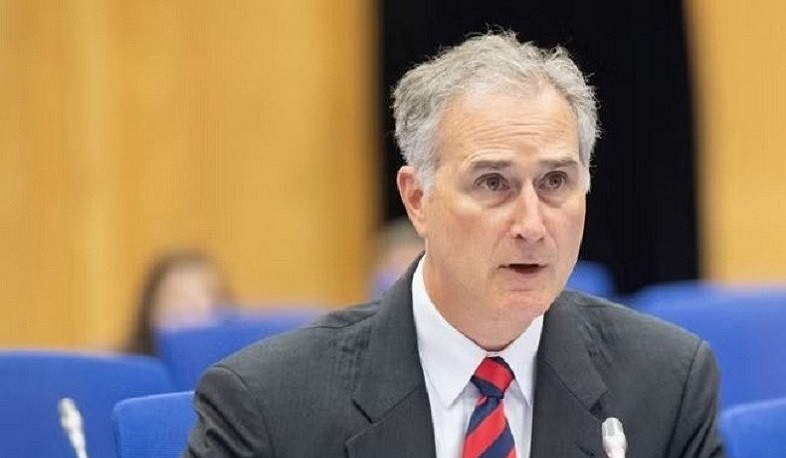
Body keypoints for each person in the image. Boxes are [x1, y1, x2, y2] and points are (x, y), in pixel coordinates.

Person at [185, 31, 723, 457]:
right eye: (493, 183)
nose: (532, 225)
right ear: (417, 199)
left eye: (555, 181)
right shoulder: (268, 406)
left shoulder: (665, 385)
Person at [126, 249, 232, 355]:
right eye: (176, 297)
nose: (189, 318)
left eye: (196, 303)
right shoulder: (131, 361)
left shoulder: (234, 360)